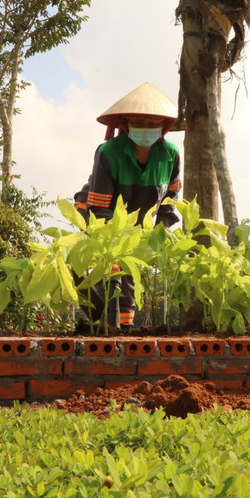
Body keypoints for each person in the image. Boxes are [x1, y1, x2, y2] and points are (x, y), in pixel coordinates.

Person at [73, 82, 183, 330]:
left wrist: (159, 232)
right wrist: (120, 243)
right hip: (98, 212)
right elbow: (100, 209)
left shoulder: (170, 155)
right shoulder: (108, 152)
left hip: (137, 225)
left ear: (163, 127)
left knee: (130, 277)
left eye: (151, 124)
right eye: (139, 123)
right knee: (112, 274)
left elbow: (169, 203)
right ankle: (106, 326)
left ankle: (124, 331)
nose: (145, 129)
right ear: (126, 124)